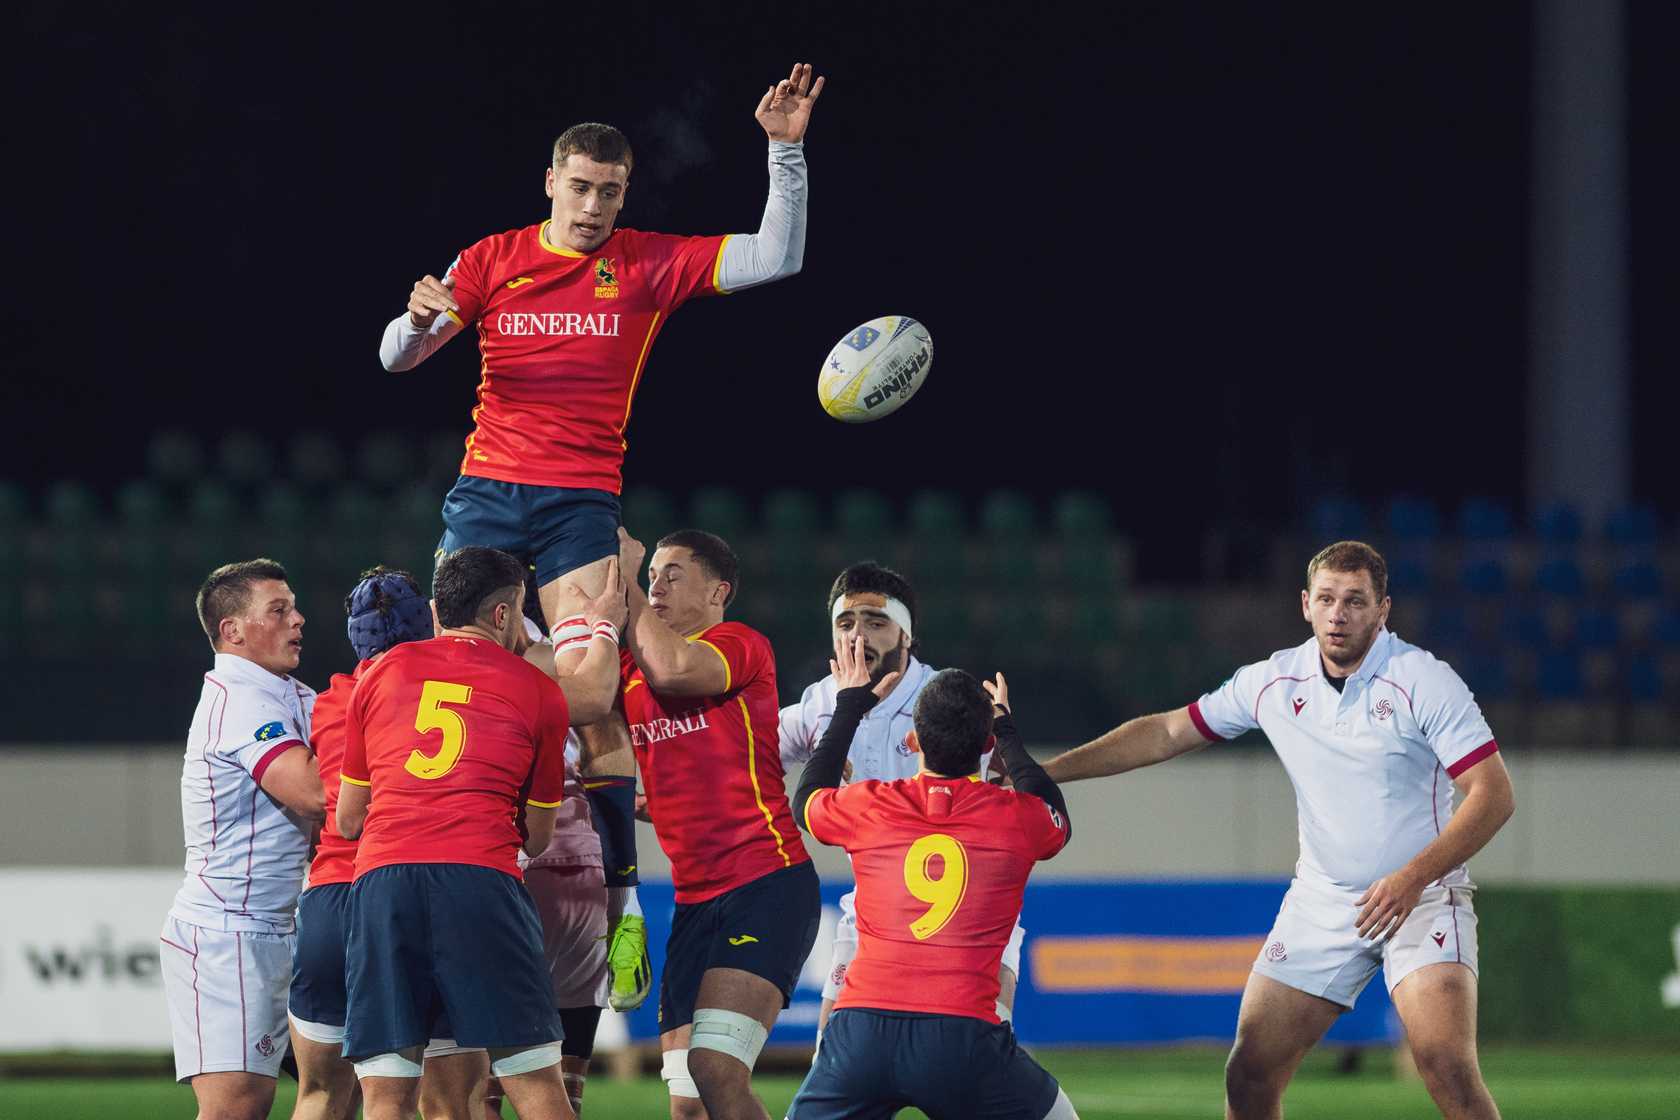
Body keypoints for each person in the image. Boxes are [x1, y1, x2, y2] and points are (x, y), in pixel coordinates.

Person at [377, 66, 822, 1001]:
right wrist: (413, 324)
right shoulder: (493, 259)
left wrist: (784, 152)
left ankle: (620, 905)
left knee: (595, 689)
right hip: (487, 494)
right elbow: (399, 358)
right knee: (452, 674)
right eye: (578, 187)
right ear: (550, 183)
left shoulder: (648, 263)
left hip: (582, 500)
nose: (591, 205)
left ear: (625, 195)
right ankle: (445, 852)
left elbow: (775, 257)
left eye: (609, 192)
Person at [1044, 541, 1515, 1120]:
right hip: (1324, 901)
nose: (1338, 614)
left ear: (1383, 609)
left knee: (1446, 1065)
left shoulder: (1422, 680)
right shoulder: (1272, 681)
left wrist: (1413, 878)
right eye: (1326, 599)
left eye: (1355, 601)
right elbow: (1168, 732)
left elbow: (1494, 795)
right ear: (1305, 605)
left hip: (1422, 897)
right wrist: (1047, 774)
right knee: (1249, 1074)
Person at [334, 547, 626, 1120]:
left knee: (387, 1096)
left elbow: (349, 817)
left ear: (439, 610)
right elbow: (536, 837)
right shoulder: (536, 687)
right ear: (501, 615)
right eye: (518, 612)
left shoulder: (379, 674)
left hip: (383, 882)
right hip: (480, 878)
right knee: (537, 1083)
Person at [785, 641, 1078, 1120]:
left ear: (915, 741)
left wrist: (851, 704)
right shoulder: (1018, 819)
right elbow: (1054, 811)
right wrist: (1006, 730)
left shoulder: (868, 804)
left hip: (862, 1033)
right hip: (962, 1038)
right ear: (986, 745)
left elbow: (807, 798)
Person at [615, 527, 820, 1120]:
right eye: (651, 574)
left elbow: (678, 670)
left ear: (718, 591)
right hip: (694, 904)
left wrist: (625, 584)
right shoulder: (632, 666)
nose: (656, 585)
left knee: (715, 1068)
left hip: (765, 884)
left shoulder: (738, 644)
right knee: (686, 1104)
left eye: (672, 574)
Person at [778, 562, 1027, 1042]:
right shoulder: (820, 705)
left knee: (981, 1056)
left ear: (907, 637)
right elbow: (747, 755)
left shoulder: (946, 700)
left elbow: (1011, 780)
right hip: (875, 910)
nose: (858, 637)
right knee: (831, 1056)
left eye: (876, 623)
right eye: (845, 624)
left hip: (970, 909)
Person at [287, 566, 470, 1120]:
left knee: (321, 1095)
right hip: (425, 891)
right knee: (446, 1103)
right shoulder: (461, 688)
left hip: (333, 898)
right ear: (427, 623)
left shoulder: (327, 701)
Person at [161, 559, 325, 1120]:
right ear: (232, 631)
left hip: (287, 927)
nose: (298, 620)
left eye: (294, 606)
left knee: (340, 1090)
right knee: (238, 1108)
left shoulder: (290, 694)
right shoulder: (239, 701)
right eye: (278, 611)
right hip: (229, 934)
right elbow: (316, 793)